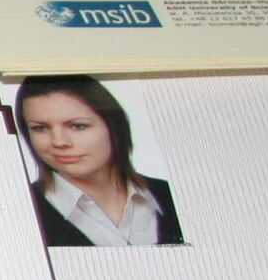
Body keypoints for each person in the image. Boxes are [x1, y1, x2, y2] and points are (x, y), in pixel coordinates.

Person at [15, 76, 186, 247]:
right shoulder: (19, 211)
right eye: (40, 128)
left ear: (113, 127)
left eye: (78, 126)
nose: (59, 142)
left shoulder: (174, 194)